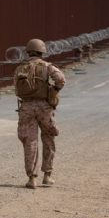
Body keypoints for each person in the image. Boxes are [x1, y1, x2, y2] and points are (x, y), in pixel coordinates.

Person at [14, 38, 66, 189]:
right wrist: (53, 91)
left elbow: (17, 91)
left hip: (26, 107)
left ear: (28, 52)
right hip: (44, 107)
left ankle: (32, 179)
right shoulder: (47, 66)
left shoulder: (20, 68)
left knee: (30, 142)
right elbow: (61, 80)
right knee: (48, 138)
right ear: (42, 51)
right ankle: (47, 176)